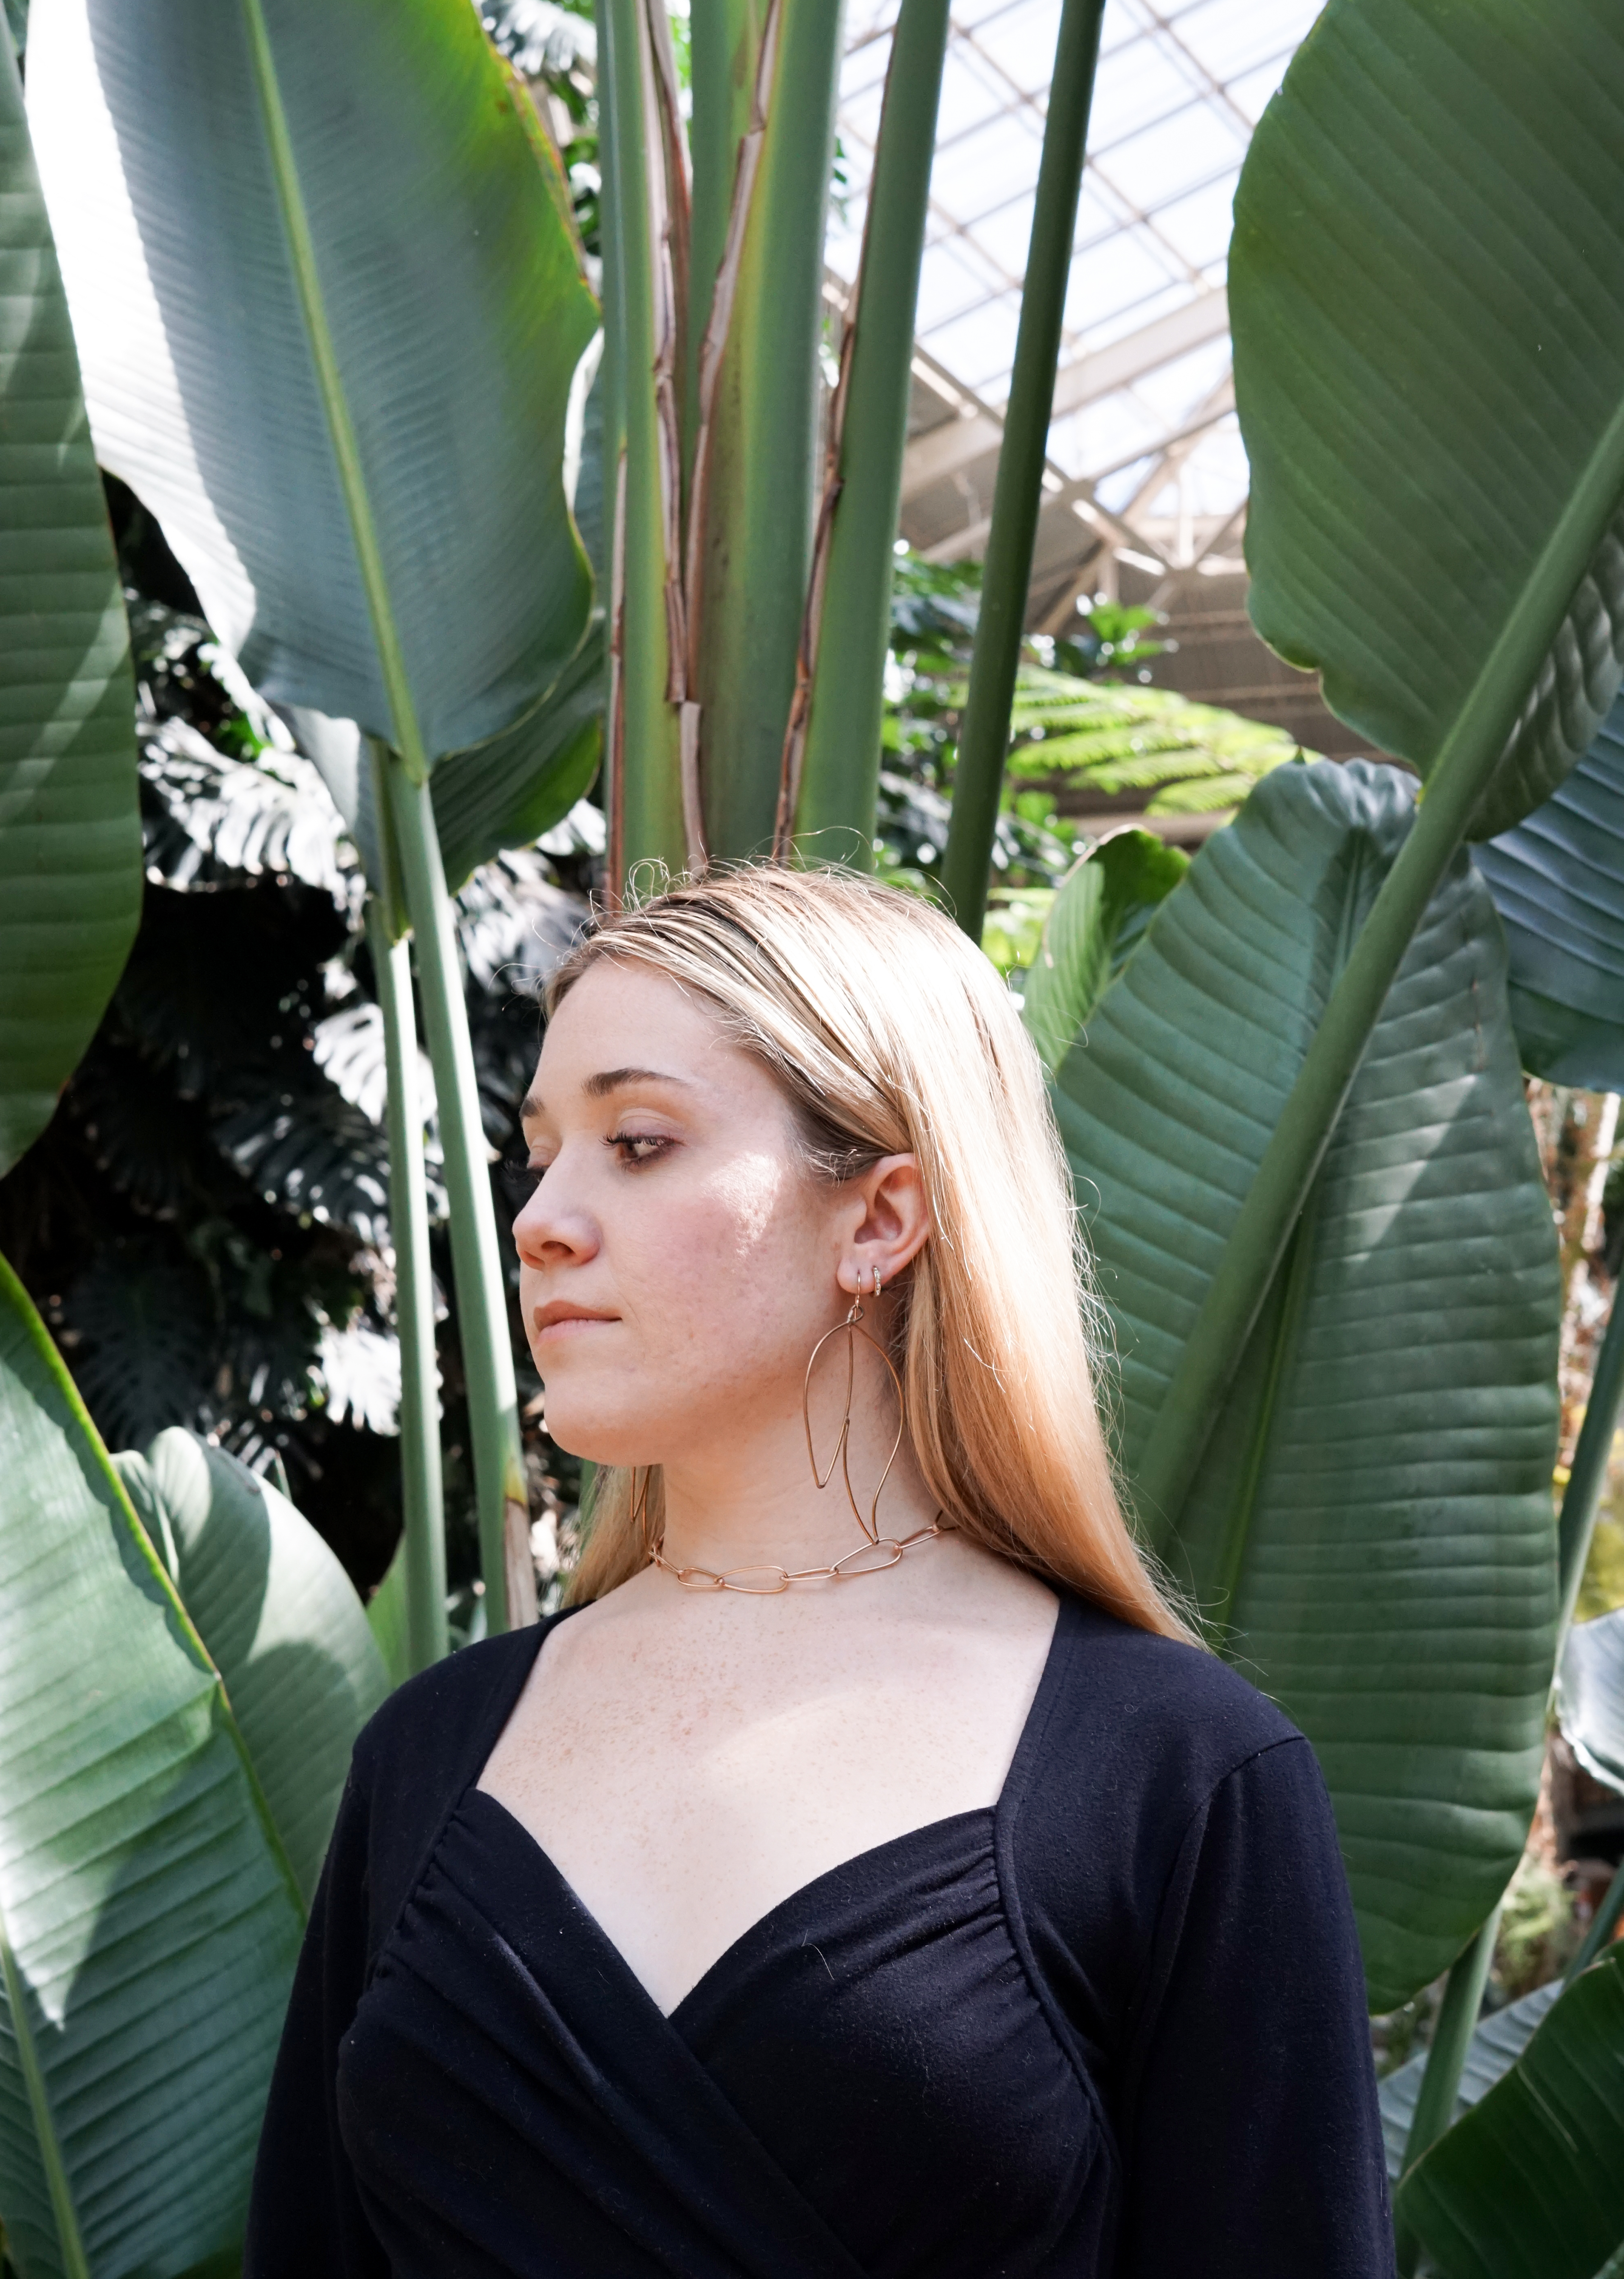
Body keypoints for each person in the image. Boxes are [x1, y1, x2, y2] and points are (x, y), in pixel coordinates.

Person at [246, 865, 1392, 2279]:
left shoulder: (1180, 1776)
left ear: (880, 1218)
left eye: (642, 1141)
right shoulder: (429, 1753)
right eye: (540, 1151)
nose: (543, 1217)